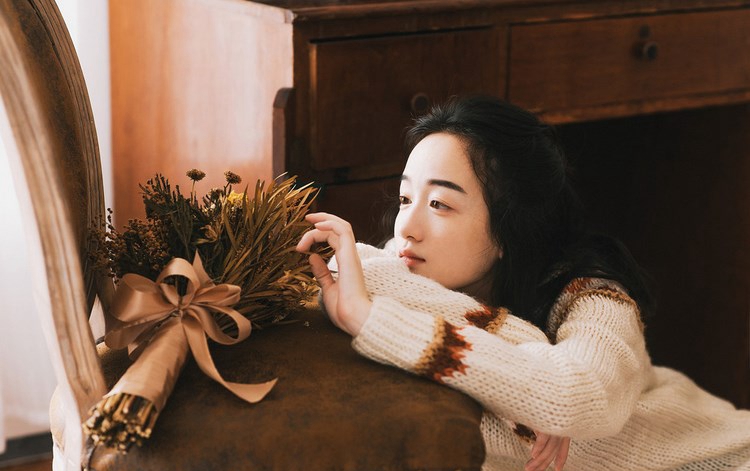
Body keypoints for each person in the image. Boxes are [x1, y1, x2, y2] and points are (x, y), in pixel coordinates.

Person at [296, 95, 750, 471]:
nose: (406, 227)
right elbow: (365, 271)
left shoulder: (595, 298)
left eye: (439, 204)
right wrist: (529, 386)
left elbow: (571, 394)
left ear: (509, 231)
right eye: (404, 197)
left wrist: (369, 318)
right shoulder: (400, 281)